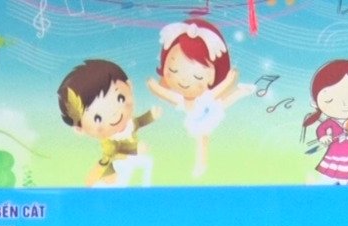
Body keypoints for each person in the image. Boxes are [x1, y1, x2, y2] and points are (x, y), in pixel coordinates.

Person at [147, 18, 249, 178]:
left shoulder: (204, 97)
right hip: (202, 114)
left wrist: (229, 80)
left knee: (205, 131)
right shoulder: (182, 99)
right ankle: (240, 92)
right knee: (220, 107)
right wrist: (155, 87)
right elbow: (168, 95)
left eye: (197, 76)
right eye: (173, 70)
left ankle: (201, 164)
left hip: (203, 114)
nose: (183, 80)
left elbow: (219, 90)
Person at [58, 59, 162, 187]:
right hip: (114, 164)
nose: (114, 114)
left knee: (148, 163)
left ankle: (146, 187)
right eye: (97, 118)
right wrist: (134, 149)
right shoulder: (108, 139)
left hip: (130, 159)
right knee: (118, 182)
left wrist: (151, 116)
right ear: (80, 128)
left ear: (129, 86)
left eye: (120, 98)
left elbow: (139, 122)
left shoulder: (129, 124)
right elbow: (115, 148)